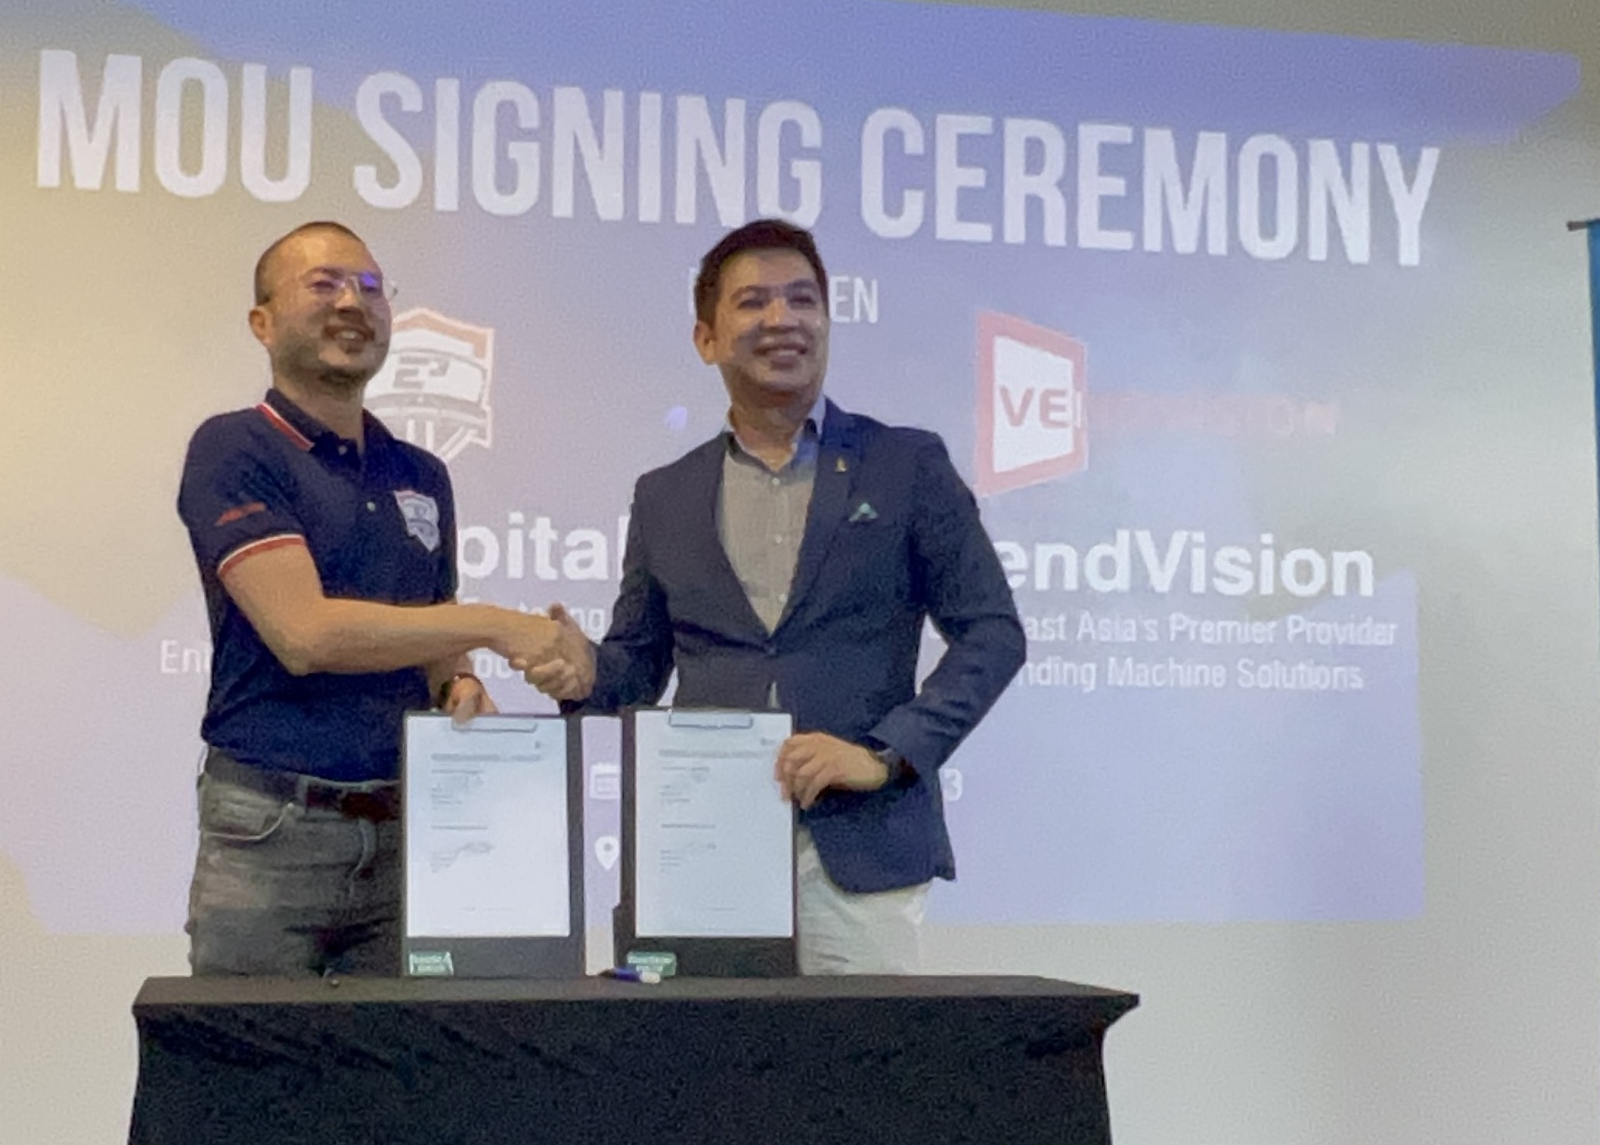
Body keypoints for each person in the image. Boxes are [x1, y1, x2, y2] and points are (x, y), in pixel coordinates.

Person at [528, 219, 1025, 975]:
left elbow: (993, 634)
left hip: (858, 849)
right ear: (706, 337)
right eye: (752, 302)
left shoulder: (905, 464)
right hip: (701, 851)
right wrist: (583, 672)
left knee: (862, 1082)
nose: (781, 319)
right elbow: (639, 665)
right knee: (713, 1087)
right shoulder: (666, 494)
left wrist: (886, 754)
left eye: (801, 299)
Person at [177, 220, 578, 976]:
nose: (351, 304)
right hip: (270, 832)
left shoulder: (421, 470)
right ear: (262, 323)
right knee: (255, 1085)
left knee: (395, 1085)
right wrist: (498, 626)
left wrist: (456, 677)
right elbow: (305, 636)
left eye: (368, 288)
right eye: (321, 285)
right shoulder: (234, 448)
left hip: (408, 837)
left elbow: (431, 627)